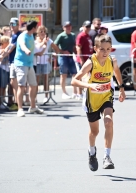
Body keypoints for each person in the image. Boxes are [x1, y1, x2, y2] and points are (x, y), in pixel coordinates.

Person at [71, 34, 126, 171]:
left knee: (109, 122)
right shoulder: (91, 62)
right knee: (94, 131)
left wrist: (121, 88)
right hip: (92, 100)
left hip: (106, 96)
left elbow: (117, 72)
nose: (105, 52)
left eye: (108, 49)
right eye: (102, 49)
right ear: (95, 49)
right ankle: (92, 152)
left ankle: (107, 157)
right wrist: (90, 86)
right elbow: (74, 81)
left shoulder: (112, 61)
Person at [14, 20, 44, 117]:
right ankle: (20, 109)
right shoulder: (23, 36)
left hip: (30, 64)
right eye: (37, 27)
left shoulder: (31, 35)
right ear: (34, 28)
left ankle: (33, 107)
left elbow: (34, 47)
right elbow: (22, 45)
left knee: (33, 85)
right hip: (21, 64)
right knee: (22, 86)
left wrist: (43, 43)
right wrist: (26, 50)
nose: (38, 28)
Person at [53, 21, 79, 99]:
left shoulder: (73, 35)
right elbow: (54, 45)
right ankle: (64, 92)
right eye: (66, 26)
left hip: (71, 56)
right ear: (63, 27)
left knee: (74, 73)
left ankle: (75, 92)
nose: (68, 28)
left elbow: (74, 46)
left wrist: (76, 53)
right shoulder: (61, 36)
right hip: (63, 57)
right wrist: (62, 51)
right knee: (63, 74)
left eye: (69, 26)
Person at [34, 25, 57, 104]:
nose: (43, 33)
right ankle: (35, 97)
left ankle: (46, 96)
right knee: (36, 80)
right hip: (37, 62)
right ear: (38, 32)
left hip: (45, 62)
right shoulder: (35, 40)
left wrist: (52, 58)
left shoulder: (48, 40)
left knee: (46, 79)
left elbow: (56, 48)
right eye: (41, 31)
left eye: (44, 31)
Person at [75, 20, 94, 100]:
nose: (88, 28)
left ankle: (85, 91)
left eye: (89, 27)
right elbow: (78, 47)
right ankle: (79, 93)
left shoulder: (88, 35)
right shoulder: (81, 36)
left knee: (87, 76)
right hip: (83, 59)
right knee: (80, 75)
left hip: (88, 59)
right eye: (87, 26)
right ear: (83, 27)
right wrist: (81, 59)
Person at [7, 18, 21, 111]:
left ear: (17, 25)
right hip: (13, 60)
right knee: (14, 83)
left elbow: (12, 47)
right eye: (11, 24)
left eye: (14, 24)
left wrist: (4, 54)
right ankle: (17, 102)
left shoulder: (17, 35)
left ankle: (17, 103)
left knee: (14, 83)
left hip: (15, 61)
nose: (12, 26)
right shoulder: (13, 35)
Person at [0, 35, 11, 109]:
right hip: (1, 68)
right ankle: (0, 101)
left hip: (7, 69)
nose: (9, 43)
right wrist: (8, 48)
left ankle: (3, 100)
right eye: (7, 42)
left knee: (5, 86)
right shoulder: (0, 49)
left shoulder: (7, 49)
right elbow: (4, 54)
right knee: (1, 86)